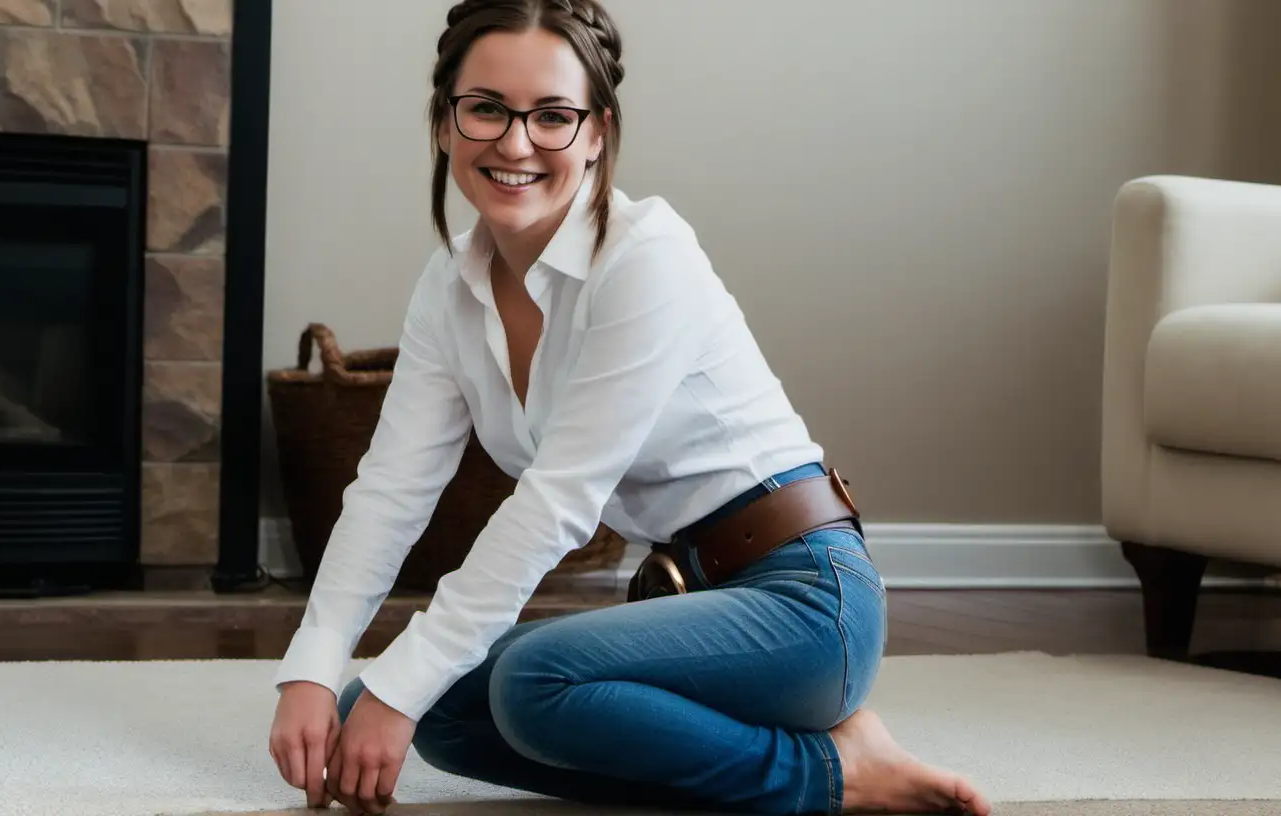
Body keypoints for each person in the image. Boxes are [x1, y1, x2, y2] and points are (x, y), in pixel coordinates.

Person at [268, 1, 991, 814]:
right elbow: (391, 491)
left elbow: (555, 504)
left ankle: (828, 774)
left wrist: (401, 686)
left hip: (807, 599)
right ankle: (779, 748)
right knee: (441, 712)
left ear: (599, 132)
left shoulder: (647, 257)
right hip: (694, 601)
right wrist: (314, 662)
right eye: (486, 110)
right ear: (445, 123)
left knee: (523, 684)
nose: (515, 143)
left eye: (553, 116)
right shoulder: (448, 289)